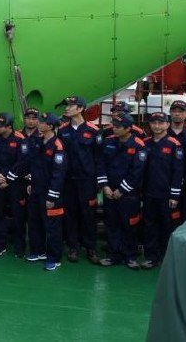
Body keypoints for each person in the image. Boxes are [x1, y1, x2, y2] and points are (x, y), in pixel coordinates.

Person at [96, 113, 147, 269]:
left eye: (118, 127)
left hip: (129, 195)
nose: (114, 129)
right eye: (114, 126)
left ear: (128, 128)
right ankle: (113, 255)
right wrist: (105, 186)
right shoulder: (109, 142)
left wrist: (121, 190)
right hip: (109, 192)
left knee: (129, 225)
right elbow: (101, 164)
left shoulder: (139, 145)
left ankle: (130, 256)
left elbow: (137, 172)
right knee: (112, 224)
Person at [57, 96, 101, 264]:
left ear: (80, 108)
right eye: (66, 105)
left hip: (87, 181)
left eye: (70, 105)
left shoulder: (93, 130)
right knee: (70, 213)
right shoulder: (63, 130)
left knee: (88, 214)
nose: (67, 108)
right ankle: (73, 247)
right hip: (69, 180)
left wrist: (98, 180)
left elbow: (98, 157)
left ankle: (90, 247)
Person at [141, 112, 184, 269]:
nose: (157, 126)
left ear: (167, 124)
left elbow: (178, 171)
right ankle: (151, 257)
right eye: (154, 123)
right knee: (149, 225)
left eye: (160, 123)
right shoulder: (145, 143)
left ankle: (167, 258)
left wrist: (174, 195)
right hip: (149, 194)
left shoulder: (174, 144)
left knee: (167, 226)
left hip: (166, 196)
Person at [26, 112, 67, 271]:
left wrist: (52, 196)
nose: (38, 123)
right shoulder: (39, 142)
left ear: (50, 126)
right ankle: (38, 251)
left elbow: (59, 174)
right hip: (36, 190)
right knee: (35, 222)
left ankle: (54, 258)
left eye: (42, 122)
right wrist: (31, 182)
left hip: (50, 194)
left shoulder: (58, 146)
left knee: (52, 227)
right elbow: (34, 166)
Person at [0, 113, 29, 257]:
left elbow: (22, 162)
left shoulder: (20, 139)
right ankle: (0, 245)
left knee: (18, 215)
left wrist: (8, 179)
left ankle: (19, 246)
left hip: (15, 184)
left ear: (9, 127)